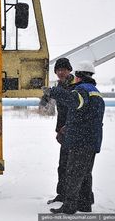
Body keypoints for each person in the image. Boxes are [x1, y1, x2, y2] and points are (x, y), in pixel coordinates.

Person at [43, 60, 105, 214]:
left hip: (81, 140)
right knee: (84, 173)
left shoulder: (81, 90)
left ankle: (69, 206)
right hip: (90, 139)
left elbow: (73, 101)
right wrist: (64, 128)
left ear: (78, 76)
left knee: (73, 172)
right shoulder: (94, 90)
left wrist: (53, 92)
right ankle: (84, 205)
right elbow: (83, 116)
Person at [46, 58, 76, 205]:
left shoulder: (75, 86)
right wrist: (59, 129)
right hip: (64, 130)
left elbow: (74, 109)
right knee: (62, 165)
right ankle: (62, 194)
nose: (60, 72)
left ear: (69, 70)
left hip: (73, 130)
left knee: (71, 166)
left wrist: (67, 126)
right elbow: (60, 111)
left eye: (63, 69)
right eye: (58, 70)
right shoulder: (60, 85)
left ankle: (71, 198)